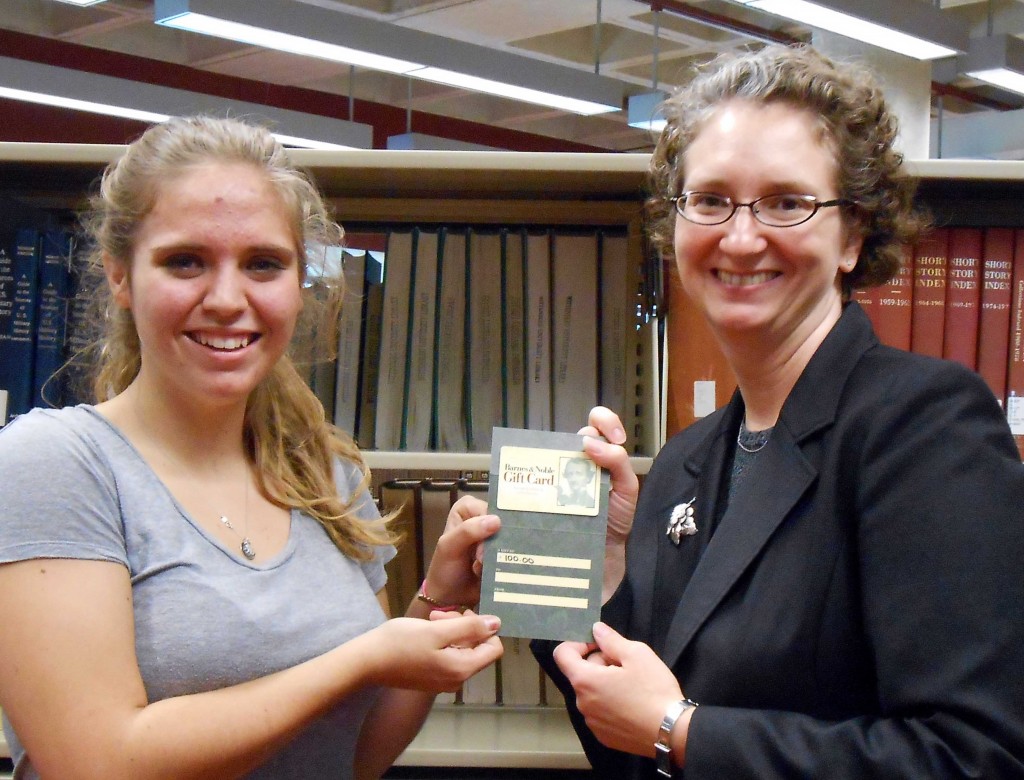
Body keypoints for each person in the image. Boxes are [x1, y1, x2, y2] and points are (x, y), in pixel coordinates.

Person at [536, 44, 1024, 778]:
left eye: (787, 203)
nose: (739, 237)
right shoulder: (681, 463)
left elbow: (971, 758)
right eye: (710, 200)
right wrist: (598, 574)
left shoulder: (924, 427)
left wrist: (681, 730)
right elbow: (633, 754)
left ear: (852, 236)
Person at [0, 115, 504, 780]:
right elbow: (98, 761)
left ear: (299, 284)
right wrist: (365, 657)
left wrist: (440, 598)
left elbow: (354, 756)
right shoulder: (54, 464)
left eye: (263, 264)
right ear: (119, 275)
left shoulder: (322, 470)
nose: (227, 299)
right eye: (186, 261)